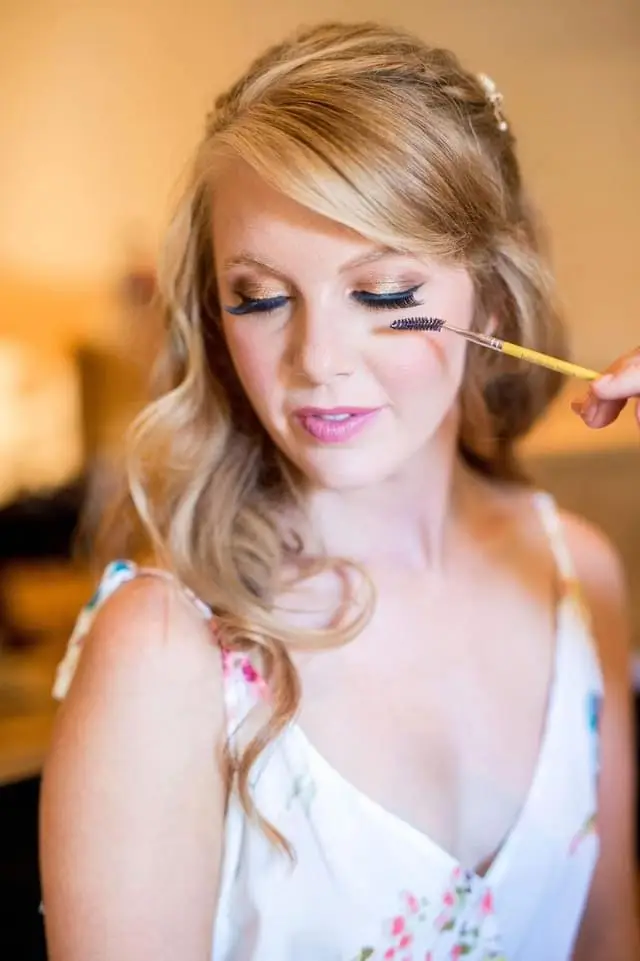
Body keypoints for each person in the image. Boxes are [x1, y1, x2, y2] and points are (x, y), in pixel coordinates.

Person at [39, 21, 639, 961]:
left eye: (387, 294)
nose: (316, 360)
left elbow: (608, 936)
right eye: (260, 296)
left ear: (489, 296)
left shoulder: (579, 577)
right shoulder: (163, 654)